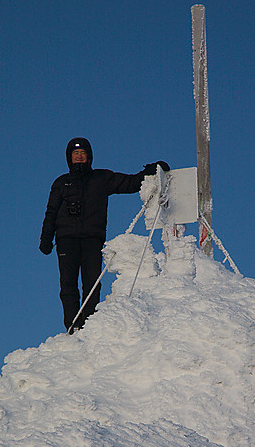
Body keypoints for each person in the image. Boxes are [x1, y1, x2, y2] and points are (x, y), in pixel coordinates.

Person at [40, 137, 168, 332]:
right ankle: (73, 326)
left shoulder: (101, 178)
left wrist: (150, 171)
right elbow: (51, 212)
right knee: (68, 284)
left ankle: (89, 324)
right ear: (69, 158)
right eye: (76, 154)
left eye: (83, 154)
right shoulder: (61, 183)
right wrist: (46, 238)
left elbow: (129, 183)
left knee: (92, 283)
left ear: (89, 157)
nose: (80, 157)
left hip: (92, 238)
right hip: (66, 239)